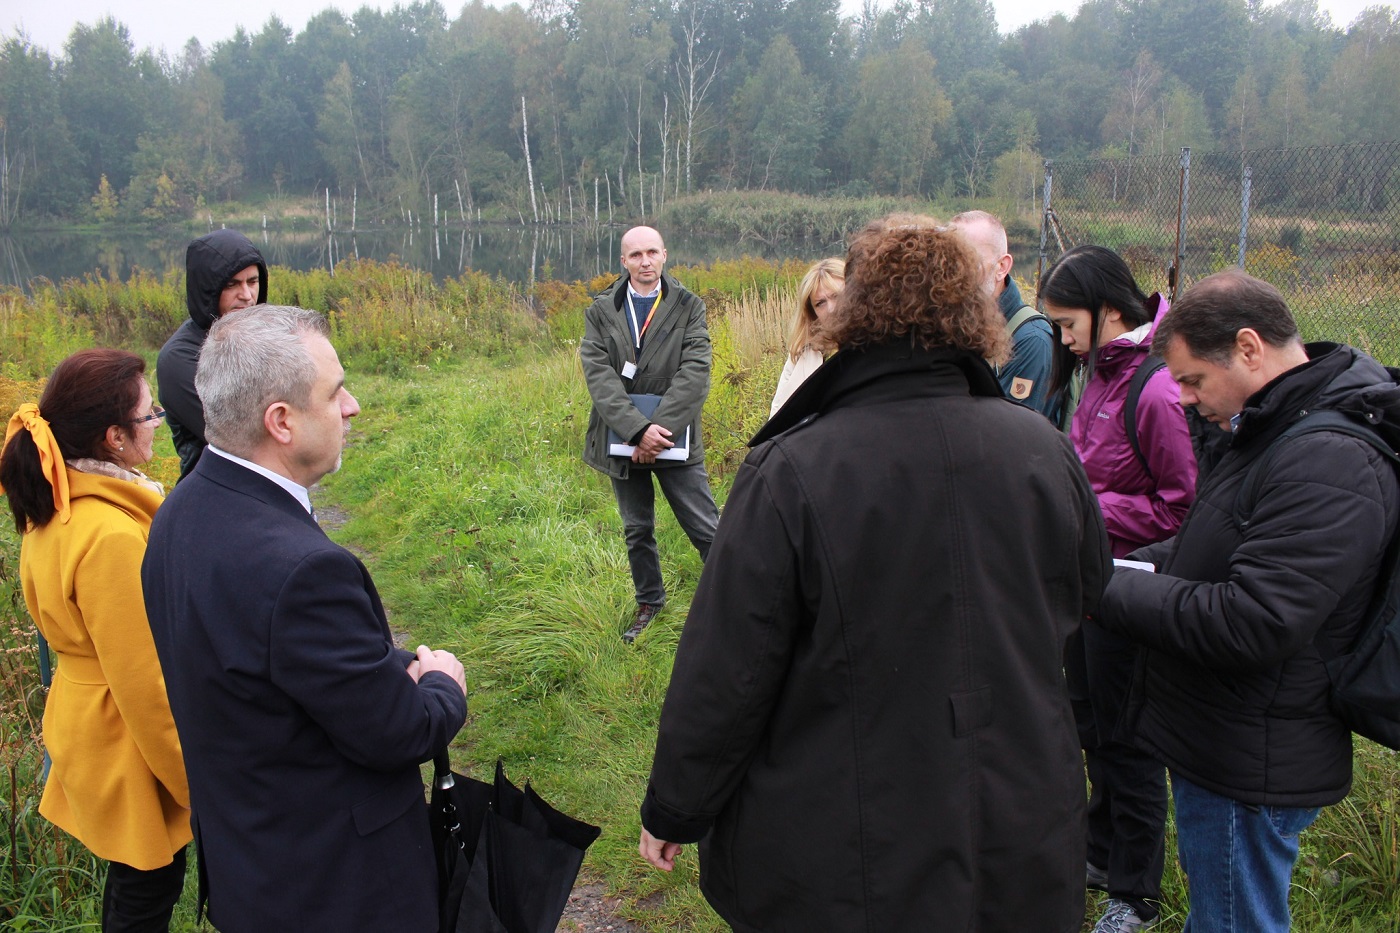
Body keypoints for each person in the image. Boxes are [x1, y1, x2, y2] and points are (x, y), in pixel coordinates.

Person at [638, 213, 1113, 932]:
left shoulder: (793, 466)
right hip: (1018, 816)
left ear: (857, 314)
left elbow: (728, 665)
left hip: (853, 841)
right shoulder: (1043, 451)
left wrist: (677, 804)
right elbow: (1090, 587)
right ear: (972, 311)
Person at [141, 306, 468, 932]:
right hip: (338, 890)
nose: (352, 406)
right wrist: (440, 685)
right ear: (281, 421)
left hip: (252, 871)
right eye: (335, 390)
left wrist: (380, 667)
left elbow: (268, 663)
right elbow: (397, 733)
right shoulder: (303, 572)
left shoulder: (179, 515)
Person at [1097, 268, 1400, 933]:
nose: (1180, 399)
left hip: (1253, 756)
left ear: (1249, 347)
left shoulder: (1327, 458)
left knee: (1235, 921)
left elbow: (1253, 621)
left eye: (1192, 379)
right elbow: (1211, 551)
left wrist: (1106, 587)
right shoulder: (1271, 426)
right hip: (1229, 737)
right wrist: (1122, 563)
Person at [0, 350, 190, 931]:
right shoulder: (108, 534)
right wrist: (198, 779)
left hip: (86, 720)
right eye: (149, 412)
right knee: (147, 891)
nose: (157, 422)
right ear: (113, 437)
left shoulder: (58, 506)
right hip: (123, 739)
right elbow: (145, 685)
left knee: (131, 883)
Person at [1040, 245, 1198, 933]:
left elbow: (1185, 507)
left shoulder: (1157, 388)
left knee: (1129, 741)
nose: (1064, 339)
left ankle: (1136, 893)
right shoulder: (1099, 371)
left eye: (1069, 323)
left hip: (1132, 593)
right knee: (1093, 728)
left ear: (1108, 310)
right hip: (1090, 590)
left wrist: (1086, 505)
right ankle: (1100, 855)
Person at [580, 225, 720, 643]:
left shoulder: (688, 305)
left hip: (675, 438)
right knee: (637, 528)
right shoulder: (601, 310)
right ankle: (649, 604)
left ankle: (732, 602)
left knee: (707, 529)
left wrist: (660, 431)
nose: (645, 262)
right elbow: (599, 376)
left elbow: (696, 371)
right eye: (636, 255)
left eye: (652, 253)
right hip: (621, 437)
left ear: (664, 255)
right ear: (623, 261)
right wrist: (636, 430)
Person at [157, 229, 267, 480]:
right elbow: (240, 436)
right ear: (207, 289)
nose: (247, 296)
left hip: (274, 488)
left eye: (252, 281)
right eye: (231, 285)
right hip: (215, 496)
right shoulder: (180, 359)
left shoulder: (264, 337)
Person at [950, 209, 1058, 419]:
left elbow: (1014, 434)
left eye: (968, 262)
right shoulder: (954, 325)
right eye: (950, 262)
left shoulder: (1031, 340)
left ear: (1002, 267)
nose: (956, 274)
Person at [768, 257, 844, 416]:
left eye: (837, 296)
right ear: (812, 313)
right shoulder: (802, 353)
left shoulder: (874, 347)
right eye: (820, 303)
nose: (831, 309)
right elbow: (777, 416)